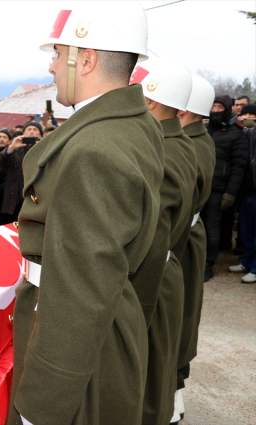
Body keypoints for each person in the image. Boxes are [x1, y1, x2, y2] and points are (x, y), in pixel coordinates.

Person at [7, 4, 164, 425]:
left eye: (58, 54)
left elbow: (78, 289)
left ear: (87, 59)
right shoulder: (132, 124)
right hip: (105, 332)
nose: (52, 66)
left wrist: (42, 404)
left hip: (77, 364)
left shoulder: (94, 149)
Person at [127, 58, 197, 425]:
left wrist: (133, 310)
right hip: (164, 271)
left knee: (147, 389)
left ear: (150, 101)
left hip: (150, 281)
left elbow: (153, 237)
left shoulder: (163, 153)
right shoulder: (178, 144)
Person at [172, 75, 217, 423]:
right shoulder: (198, 139)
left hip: (181, 241)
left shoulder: (187, 144)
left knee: (177, 318)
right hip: (188, 236)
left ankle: (171, 394)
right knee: (182, 315)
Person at [201, 95, 248, 281]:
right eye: (213, 106)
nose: (215, 110)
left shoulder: (236, 134)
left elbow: (239, 166)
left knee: (212, 229)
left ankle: (207, 265)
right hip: (199, 187)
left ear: (227, 110)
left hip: (217, 189)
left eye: (220, 107)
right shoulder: (203, 130)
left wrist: (230, 192)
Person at [229, 103, 256, 283]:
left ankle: (255, 268)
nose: (247, 117)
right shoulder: (244, 133)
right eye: (245, 114)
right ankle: (247, 262)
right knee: (246, 231)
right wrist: (235, 125)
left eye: (251, 115)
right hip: (246, 190)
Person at [0, 121, 43, 223]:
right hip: (15, 196)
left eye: (35, 130)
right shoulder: (16, 149)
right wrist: (11, 147)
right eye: (29, 129)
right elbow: (0, 161)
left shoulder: (45, 148)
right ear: (24, 134)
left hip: (34, 194)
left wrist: (42, 147)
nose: (31, 132)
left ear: (41, 135)